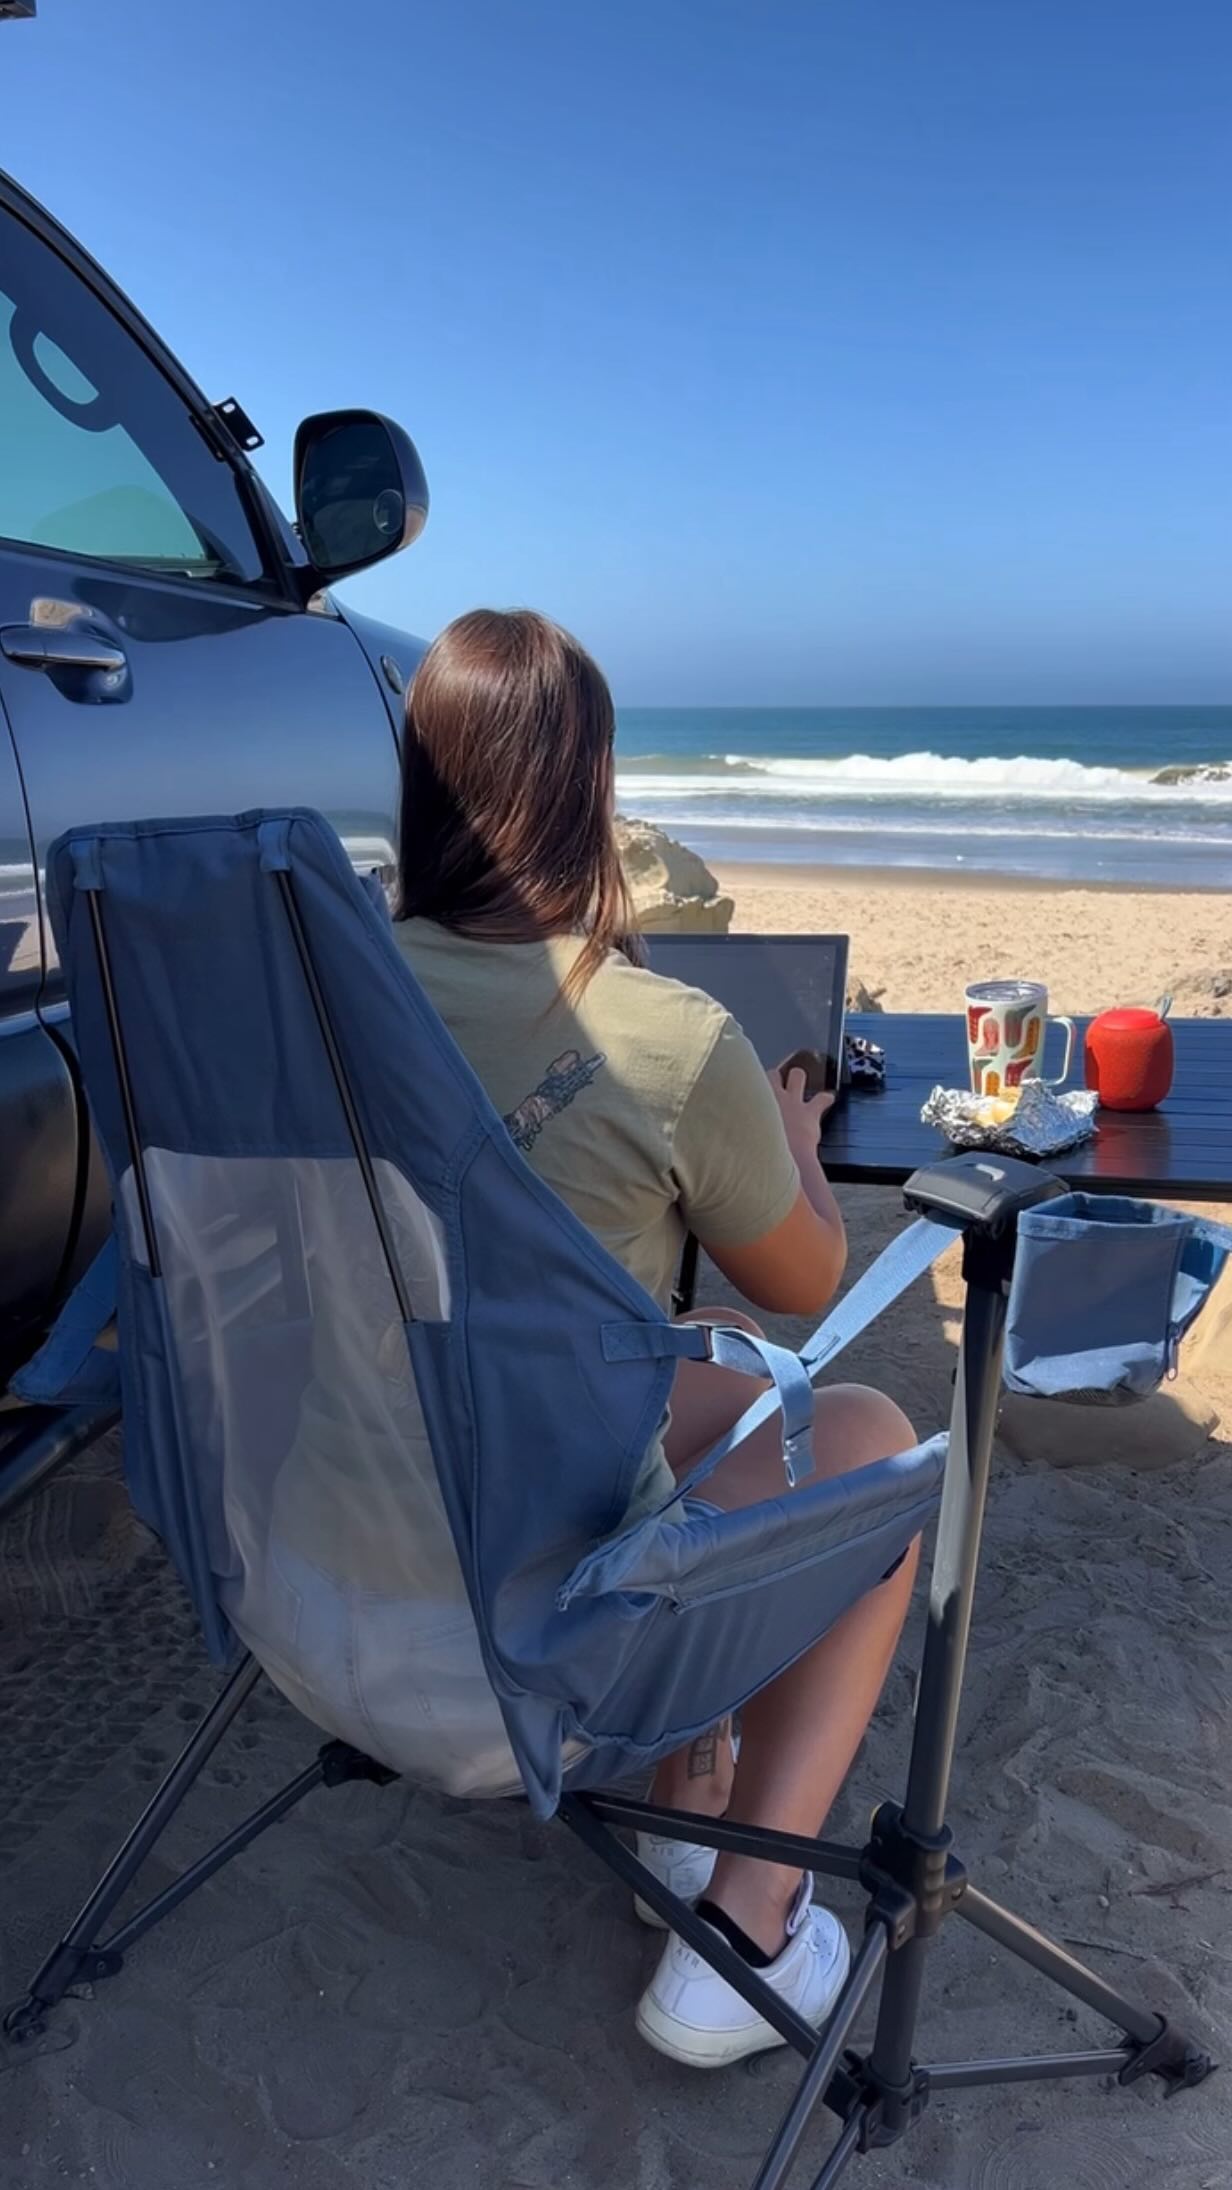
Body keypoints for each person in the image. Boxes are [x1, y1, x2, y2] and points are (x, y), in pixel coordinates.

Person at [393, 608, 920, 2069]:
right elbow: (807, 1277)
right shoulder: (666, 1037)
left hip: (339, 1532)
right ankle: (749, 1925)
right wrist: (793, 1129)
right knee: (870, 1436)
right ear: (591, 790)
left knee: (688, 1337)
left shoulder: (329, 1002)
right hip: (528, 1586)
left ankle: (697, 1792)